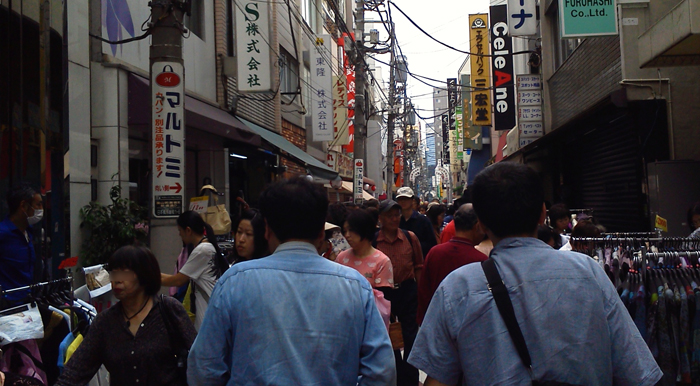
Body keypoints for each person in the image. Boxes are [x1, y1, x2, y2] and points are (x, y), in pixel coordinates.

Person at [408, 162, 662, 386]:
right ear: (543, 213)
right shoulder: (588, 272)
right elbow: (636, 371)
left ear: (482, 224)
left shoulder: (458, 287)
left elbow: (438, 379)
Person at [187, 177, 396, 385]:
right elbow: (382, 372)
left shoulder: (235, 281)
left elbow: (204, 366)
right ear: (321, 231)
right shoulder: (356, 287)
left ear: (267, 230)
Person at [56, 245, 196, 386]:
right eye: (113, 273)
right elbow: (75, 372)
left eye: (124, 273)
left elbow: (201, 357)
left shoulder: (168, 310)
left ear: (144, 275)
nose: (117, 279)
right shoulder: (105, 322)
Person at [375, 199, 423, 386]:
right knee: (388, 337)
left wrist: (419, 292)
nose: (395, 219)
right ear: (380, 218)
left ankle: (410, 378)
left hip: (408, 291)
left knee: (410, 335)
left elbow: (418, 265)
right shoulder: (374, 240)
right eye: (390, 216)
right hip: (385, 294)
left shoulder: (410, 238)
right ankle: (396, 375)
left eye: (397, 215)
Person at [416, 204, 486, 325]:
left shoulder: (435, 253)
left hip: (436, 322)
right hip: (468, 325)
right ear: (477, 226)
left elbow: (424, 292)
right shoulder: (481, 260)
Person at [160, 211, 229, 331]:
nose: (180, 235)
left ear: (188, 230)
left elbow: (177, 280)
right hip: (211, 311)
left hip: (208, 312)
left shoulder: (202, 250)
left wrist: (148, 275)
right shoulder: (206, 246)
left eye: (180, 231)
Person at [0, 185, 44, 302]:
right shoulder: (3, 233)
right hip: (7, 308)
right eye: (38, 205)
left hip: (27, 303)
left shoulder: (28, 232)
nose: (41, 209)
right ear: (24, 206)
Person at [337, 209, 394, 289]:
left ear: (363, 229)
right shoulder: (341, 258)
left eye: (351, 230)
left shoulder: (382, 262)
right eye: (345, 231)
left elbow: (382, 298)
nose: (347, 235)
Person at [396, 187, 437, 257]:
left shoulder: (423, 221)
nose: (403, 201)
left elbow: (431, 243)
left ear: (412, 200)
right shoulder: (395, 221)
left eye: (406, 199)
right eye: (400, 199)